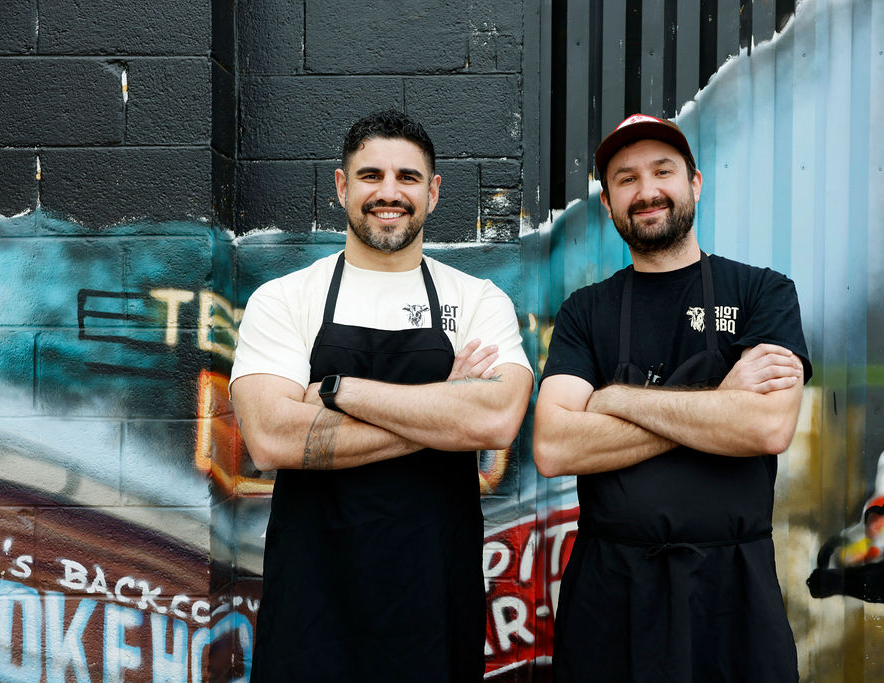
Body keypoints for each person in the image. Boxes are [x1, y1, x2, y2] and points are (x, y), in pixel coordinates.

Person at [230, 109, 533, 681]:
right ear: (342, 186)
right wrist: (443, 405)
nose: (389, 193)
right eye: (370, 176)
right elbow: (270, 437)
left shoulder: (476, 299)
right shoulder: (286, 298)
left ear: (434, 192)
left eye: (408, 178)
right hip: (314, 600)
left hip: (434, 595)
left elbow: (494, 420)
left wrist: (336, 392)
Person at [533, 114, 811, 682]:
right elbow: (555, 446)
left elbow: (764, 429)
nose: (647, 191)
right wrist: (719, 400)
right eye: (626, 179)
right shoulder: (585, 311)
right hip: (612, 592)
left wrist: (613, 399)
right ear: (608, 202)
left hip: (731, 590)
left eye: (663, 171)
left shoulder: (763, 292)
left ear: (695, 184)